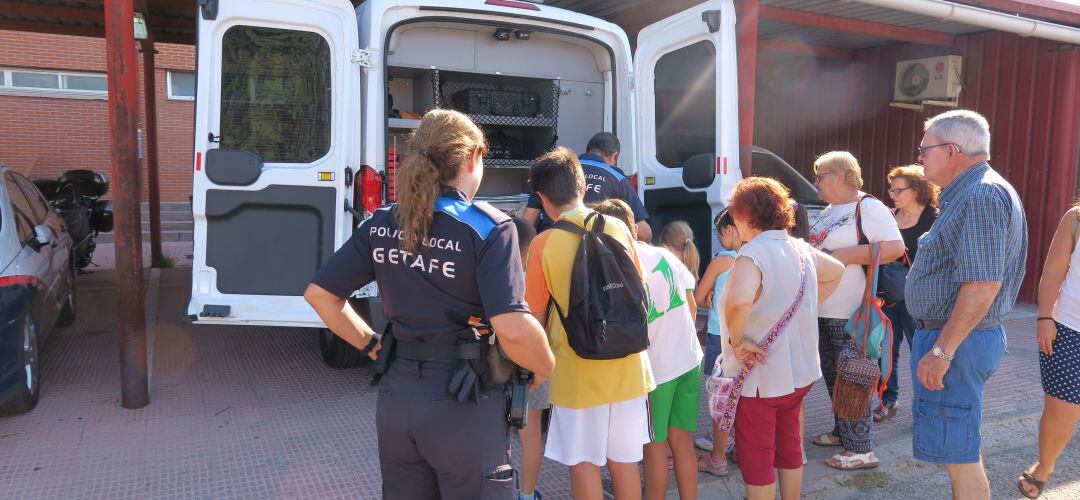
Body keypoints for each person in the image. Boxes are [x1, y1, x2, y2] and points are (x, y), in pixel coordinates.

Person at [304, 109, 555, 499]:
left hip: (397, 400)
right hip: (464, 404)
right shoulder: (490, 227)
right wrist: (544, 365)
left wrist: (373, 345)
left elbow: (320, 295)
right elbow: (512, 325)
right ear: (472, 158)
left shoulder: (382, 222)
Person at [906, 109, 1027, 499]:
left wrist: (942, 349)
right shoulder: (974, 191)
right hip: (956, 338)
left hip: (956, 341)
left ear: (953, 150)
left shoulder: (980, 195)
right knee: (956, 447)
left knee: (959, 451)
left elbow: (982, 284)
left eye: (925, 149)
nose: (920, 157)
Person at [524, 147, 655, 500]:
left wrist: (534, 370)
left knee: (583, 466)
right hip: (629, 366)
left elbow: (534, 317)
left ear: (541, 198)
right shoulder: (617, 227)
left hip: (576, 370)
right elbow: (638, 290)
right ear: (583, 188)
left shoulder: (543, 244)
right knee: (625, 464)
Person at [721, 177, 845, 500]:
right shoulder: (799, 247)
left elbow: (737, 302)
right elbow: (837, 270)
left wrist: (737, 341)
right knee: (790, 444)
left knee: (757, 454)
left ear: (746, 215)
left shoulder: (752, 254)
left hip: (760, 376)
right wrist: (808, 307)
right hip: (799, 373)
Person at [591, 202, 702, 500]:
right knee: (682, 441)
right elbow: (691, 308)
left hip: (657, 371)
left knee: (653, 445)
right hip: (690, 360)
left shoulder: (617, 265)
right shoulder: (665, 254)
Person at [807, 151, 904, 470]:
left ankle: (862, 449)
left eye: (820, 175)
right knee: (836, 377)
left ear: (838, 176)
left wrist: (848, 254)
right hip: (824, 309)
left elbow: (896, 248)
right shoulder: (832, 210)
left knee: (854, 377)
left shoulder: (869, 207)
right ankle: (842, 433)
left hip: (852, 312)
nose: (816, 182)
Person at [1018, 202, 1080, 499]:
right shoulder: (1076, 218)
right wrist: (1044, 316)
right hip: (1069, 327)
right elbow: (1053, 271)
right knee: (1060, 410)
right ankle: (1045, 466)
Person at [874, 165, 939, 422]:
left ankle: (924, 408)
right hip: (888, 294)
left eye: (899, 189)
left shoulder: (934, 218)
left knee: (920, 352)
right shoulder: (888, 217)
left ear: (918, 189)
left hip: (920, 299)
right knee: (885, 351)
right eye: (892, 189)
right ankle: (888, 401)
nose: (893, 195)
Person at [522, 132, 652, 241]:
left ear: (587, 151)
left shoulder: (556, 170)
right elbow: (644, 233)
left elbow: (527, 222)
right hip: (598, 253)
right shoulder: (617, 178)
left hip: (551, 244)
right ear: (614, 156)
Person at [693, 210, 742, 475]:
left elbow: (699, 298)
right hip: (746, 337)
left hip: (719, 337)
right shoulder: (754, 256)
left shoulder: (723, 260)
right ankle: (735, 445)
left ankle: (718, 458)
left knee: (720, 399)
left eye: (720, 231)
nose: (719, 237)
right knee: (740, 396)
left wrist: (709, 292)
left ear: (732, 230)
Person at [511, 216, 548, 500]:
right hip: (534, 364)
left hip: (496, 365)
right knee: (531, 435)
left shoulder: (491, 273)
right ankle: (526, 494)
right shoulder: (539, 272)